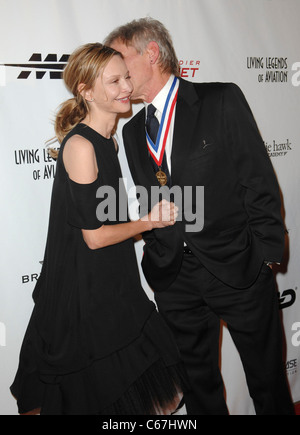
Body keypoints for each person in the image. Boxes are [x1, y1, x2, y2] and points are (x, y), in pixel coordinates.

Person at [105, 18, 295, 415]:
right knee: (199, 392)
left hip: (239, 269)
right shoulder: (132, 130)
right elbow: (149, 201)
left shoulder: (220, 100)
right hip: (175, 280)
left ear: (151, 54)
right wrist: (158, 256)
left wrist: (264, 257)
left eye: (120, 58)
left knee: (268, 384)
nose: (114, 70)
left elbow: (259, 181)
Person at [10, 43, 189, 415]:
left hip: (111, 282)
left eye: (126, 76)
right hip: (84, 292)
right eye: (113, 81)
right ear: (86, 91)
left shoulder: (109, 140)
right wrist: (149, 220)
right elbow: (93, 236)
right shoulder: (81, 145)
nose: (126, 87)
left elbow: (105, 218)